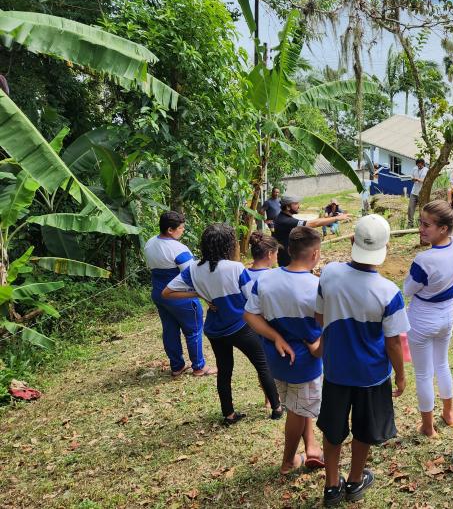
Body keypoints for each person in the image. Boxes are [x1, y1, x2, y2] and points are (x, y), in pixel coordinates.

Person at [316, 214, 410, 506]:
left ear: (353, 241)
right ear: (386, 247)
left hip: (336, 372)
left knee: (333, 429)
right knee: (364, 429)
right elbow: (394, 343)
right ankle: (355, 480)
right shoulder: (389, 292)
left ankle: (332, 486)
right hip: (372, 375)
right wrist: (402, 375)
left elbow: (320, 317)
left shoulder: (329, 274)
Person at [162, 223, 282, 425]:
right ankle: (277, 408)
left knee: (224, 371)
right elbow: (251, 297)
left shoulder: (193, 268)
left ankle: (229, 414)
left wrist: (199, 293)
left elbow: (167, 293)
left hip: (215, 330)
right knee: (262, 364)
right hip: (239, 326)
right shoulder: (235, 268)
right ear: (228, 245)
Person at [244, 226, 326, 475]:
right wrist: (317, 347)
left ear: (288, 251)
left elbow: (250, 314)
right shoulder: (317, 287)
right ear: (315, 255)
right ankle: (288, 461)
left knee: (296, 406)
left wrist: (276, 336)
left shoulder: (265, 279)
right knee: (298, 412)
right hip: (304, 364)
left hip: (276, 358)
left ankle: (311, 447)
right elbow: (324, 330)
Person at [403, 200, 453, 437]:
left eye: (426, 225)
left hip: (422, 318)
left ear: (443, 228)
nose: (420, 228)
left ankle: (428, 427)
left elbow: (407, 289)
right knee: (442, 363)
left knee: (423, 373)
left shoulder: (424, 260)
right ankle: (449, 413)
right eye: (421, 222)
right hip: (447, 313)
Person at [143, 211, 215, 378]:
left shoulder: (150, 243)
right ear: (170, 229)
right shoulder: (178, 249)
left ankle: (177, 366)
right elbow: (192, 276)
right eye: (181, 228)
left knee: (170, 330)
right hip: (180, 297)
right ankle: (199, 367)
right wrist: (205, 296)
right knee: (194, 330)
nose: (183, 230)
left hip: (159, 294)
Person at [274, 196, 349, 266]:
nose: (299, 206)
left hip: (289, 255)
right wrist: (337, 218)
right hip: (287, 259)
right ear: (287, 207)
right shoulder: (285, 220)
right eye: (296, 204)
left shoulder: (282, 217)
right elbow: (313, 223)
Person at [407, 158, 428, 227]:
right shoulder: (414, 169)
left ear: (422, 164)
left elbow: (426, 181)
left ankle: (421, 223)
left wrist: (418, 180)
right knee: (410, 208)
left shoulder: (426, 170)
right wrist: (413, 179)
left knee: (422, 208)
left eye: (420, 165)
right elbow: (411, 177)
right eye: (417, 165)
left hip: (422, 192)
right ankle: (410, 223)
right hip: (414, 191)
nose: (418, 166)